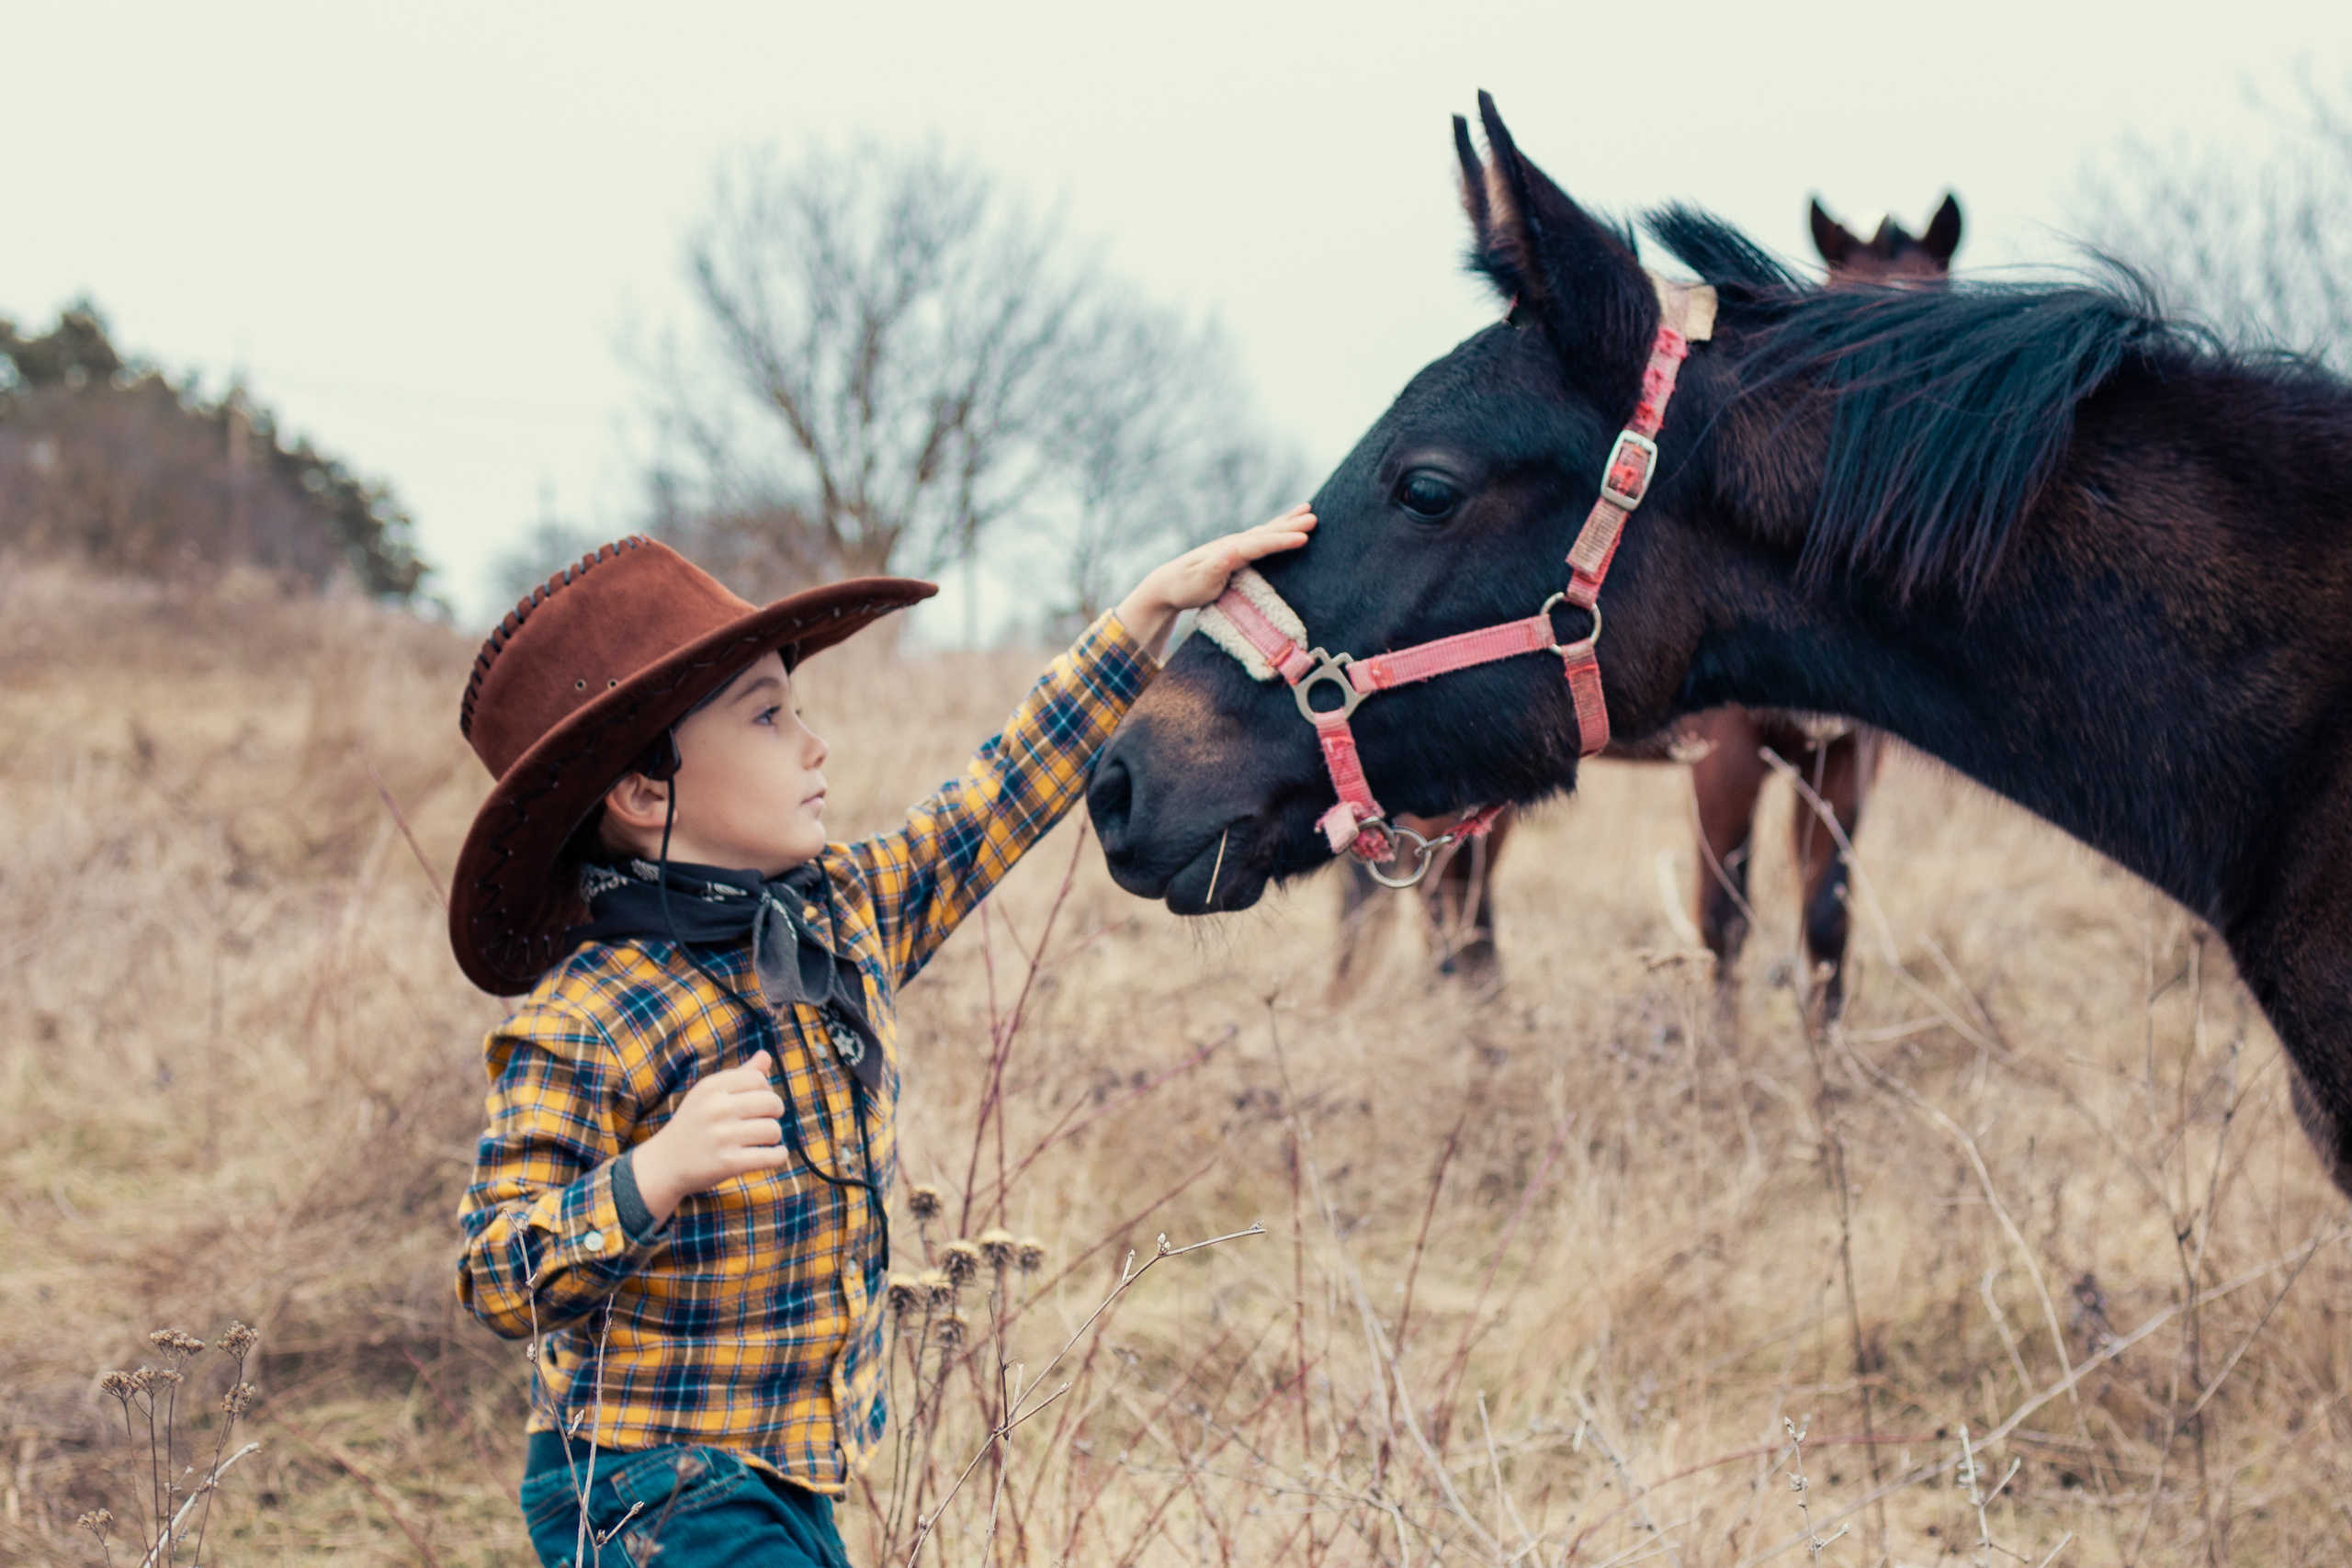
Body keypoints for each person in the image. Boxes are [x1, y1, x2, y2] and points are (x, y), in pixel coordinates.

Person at [447, 506, 1313, 1567]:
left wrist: (1143, 613)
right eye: (768, 719)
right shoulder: (586, 1019)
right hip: (641, 1481)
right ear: (640, 789)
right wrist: (655, 1173)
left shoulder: (838, 918)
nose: (815, 745)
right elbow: (495, 1275)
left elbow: (994, 800)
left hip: (795, 1472)